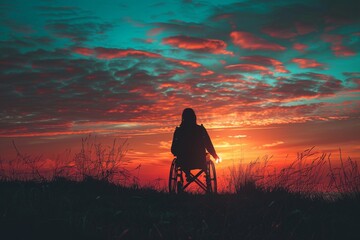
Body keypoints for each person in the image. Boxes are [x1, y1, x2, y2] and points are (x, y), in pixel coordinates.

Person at [171, 108, 219, 182]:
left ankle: (187, 173)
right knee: (206, 157)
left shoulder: (179, 131)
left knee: (183, 161)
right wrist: (215, 155)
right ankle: (207, 178)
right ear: (194, 117)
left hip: (183, 161)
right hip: (199, 160)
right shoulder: (201, 130)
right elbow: (208, 144)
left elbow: (173, 148)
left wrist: (177, 152)